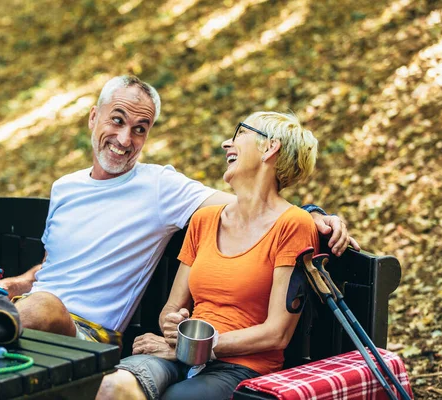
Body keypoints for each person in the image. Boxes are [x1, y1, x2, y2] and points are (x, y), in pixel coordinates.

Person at [0, 75, 358, 345]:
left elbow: (253, 205)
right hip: (32, 312)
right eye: (117, 121)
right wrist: (21, 282)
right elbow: (53, 265)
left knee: (40, 307)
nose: (125, 140)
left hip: (87, 338)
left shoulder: (160, 187)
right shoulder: (65, 187)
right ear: (94, 118)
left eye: (140, 129)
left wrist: (310, 213)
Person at [96, 111, 323, 400]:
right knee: (111, 385)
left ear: (270, 147)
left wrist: (194, 347)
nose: (226, 144)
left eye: (240, 133)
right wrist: (172, 323)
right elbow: (172, 307)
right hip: (182, 355)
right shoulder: (205, 220)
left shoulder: (294, 225)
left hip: (241, 367)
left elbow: (276, 333)